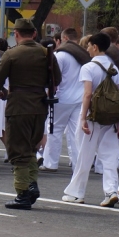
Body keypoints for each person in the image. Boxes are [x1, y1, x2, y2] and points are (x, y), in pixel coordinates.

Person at [0, 19, 60, 210]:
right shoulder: (47, 53)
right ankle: (32, 184)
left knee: (18, 150)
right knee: (30, 147)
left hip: (19, 105)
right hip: (40, 105)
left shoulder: (12, 54)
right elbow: (57, 78)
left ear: (17, 34)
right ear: (35, 34)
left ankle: (22, 193)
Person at [61, 33, 119, 206]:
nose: (87, 48)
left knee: (84, 155)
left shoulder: (88, 68)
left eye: (89, 45)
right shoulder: (113, 67)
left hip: (92, 115)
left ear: (95, 47)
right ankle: (111, 191)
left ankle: (77, 192)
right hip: (110, 117)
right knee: (110, 156)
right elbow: (117, 95)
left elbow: (88, 93)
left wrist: (82, 118)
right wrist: (118, 123)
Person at [41, 28, 89, 172]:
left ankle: (51, 162)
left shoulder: (60, 55)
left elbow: (54, 77)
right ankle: (77, 164)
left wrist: (49, 92)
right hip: (79, 98)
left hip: (61, 98)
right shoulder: (84, 54)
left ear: (64, 38)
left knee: (54, 130)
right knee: (75, 134)